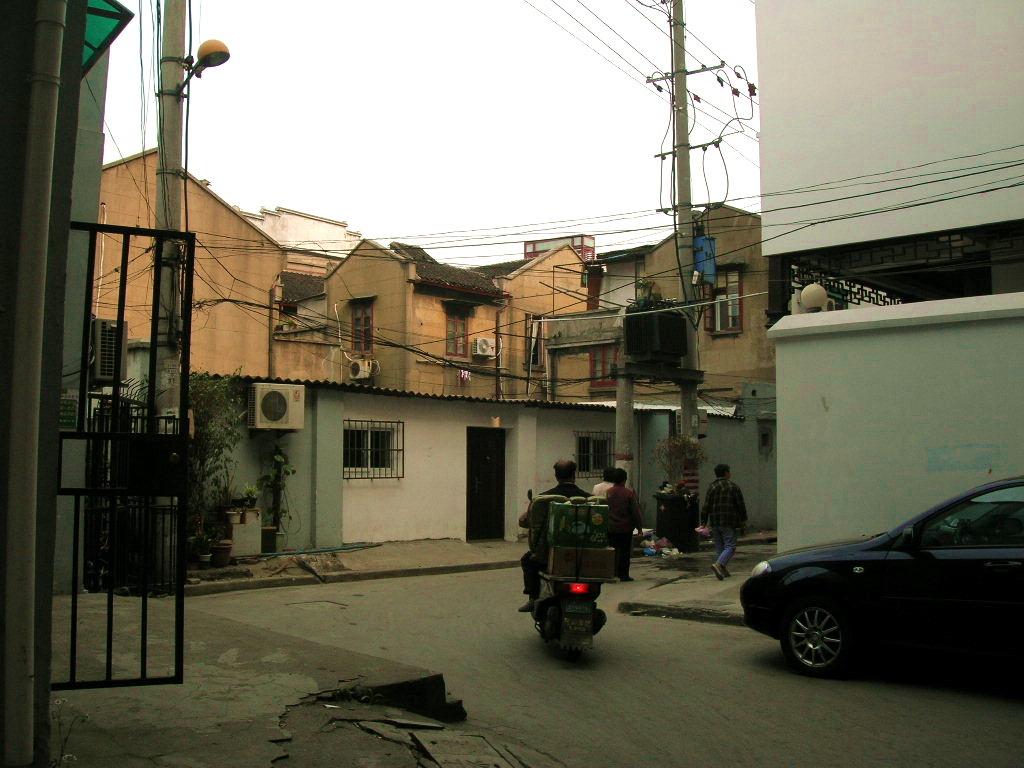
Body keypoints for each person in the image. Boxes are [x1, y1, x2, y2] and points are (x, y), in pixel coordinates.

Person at [518, 459, 589, 612]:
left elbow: (524, 520)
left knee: (527, 560)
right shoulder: (589, 499)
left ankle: (533, 597)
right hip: (585, 555)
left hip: (549, 555)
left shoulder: (543, 499)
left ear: (556, 476)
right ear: (574, 475)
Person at [703, 463, 747, 580]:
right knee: (730, 546)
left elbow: (706, 505)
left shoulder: (711, 487)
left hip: (715, 521)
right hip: (728, 520)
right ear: (726, 473)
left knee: (720, 547)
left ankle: (722, 569)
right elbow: (740, 505)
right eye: (729, 471)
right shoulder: (733, 487)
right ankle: (719, 564)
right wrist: (743, 519)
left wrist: (703, 521)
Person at [605, 467, 643, 581]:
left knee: (613, 551)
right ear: (624, 480)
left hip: (611, 527)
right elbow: (635, 512)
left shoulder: (608, 492)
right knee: (625, 552)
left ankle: (613, 572)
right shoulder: (628, 493)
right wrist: (639, 528)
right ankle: (623, 574)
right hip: (625, 528)